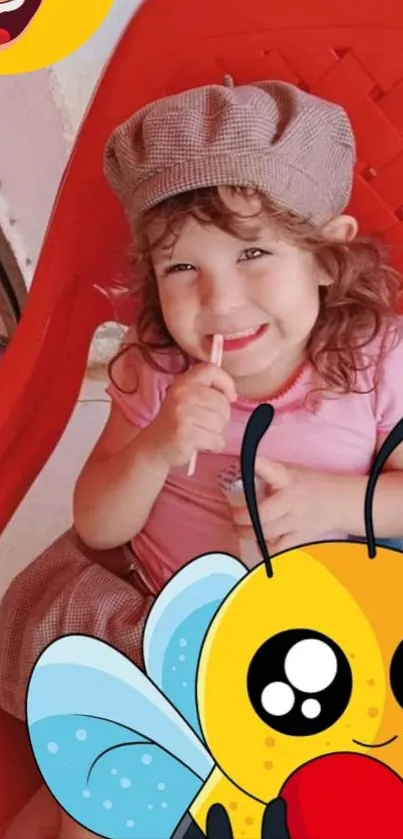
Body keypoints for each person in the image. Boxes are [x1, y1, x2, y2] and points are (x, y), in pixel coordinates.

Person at [3, 77, 403, 839]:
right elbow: (97, 521)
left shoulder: (378, 363)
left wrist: (338, 503)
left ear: (326, 255)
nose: (219, 299)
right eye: (181, 267)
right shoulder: (154, 367)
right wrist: (155, 445)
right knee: (89, 797)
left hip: (325, 639)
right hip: (169, 620)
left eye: (254, 251)